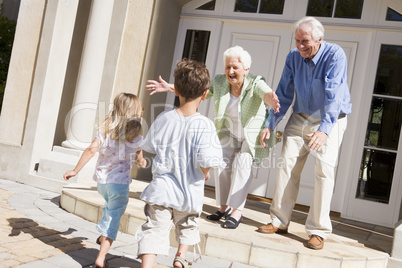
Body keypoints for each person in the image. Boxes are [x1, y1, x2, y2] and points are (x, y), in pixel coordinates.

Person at [146, 46, 280, 229]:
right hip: (229, 132)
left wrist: (270, 100)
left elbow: (265, 93)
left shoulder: (255, 83)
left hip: (251, 135)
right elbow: (198, 90)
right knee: (222, 164)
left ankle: (236, 210)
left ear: (246, 69)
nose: (230, 72)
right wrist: (171, 87)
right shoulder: (219, 82)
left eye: (235, 68)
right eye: (227, 67)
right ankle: (223, 207)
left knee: (243, 163)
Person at [257, 17, 352, 250]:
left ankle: (318, 230)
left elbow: (333, 95)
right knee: (287, 166)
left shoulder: (335, 55)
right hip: (300, 116)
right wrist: (271, 123)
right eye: (297, 40)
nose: (300, 46)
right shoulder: (293, 57)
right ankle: (279, 220)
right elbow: (284, 93)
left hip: (331, 118)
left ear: (319, 40)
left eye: (305, 41)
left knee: (324, 172)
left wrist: (325, 130)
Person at [136, 59, 223, 268]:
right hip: (189, 191)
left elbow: (150, 147)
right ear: (205, 94)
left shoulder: (165, 118)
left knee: (154, 229)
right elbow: (206, 158)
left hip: (162, 189)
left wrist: (139, 159)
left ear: (176, 91)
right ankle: (180, 257)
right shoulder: (205, 125)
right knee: (188, 224)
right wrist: (206, 172)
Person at [63, 93, 146, 268]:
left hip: (102, 184)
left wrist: (75, 170)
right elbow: (141, 160)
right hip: (120, 186)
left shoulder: (104, 131)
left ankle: (102, 236)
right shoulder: (137, 137)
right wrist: (143, 162)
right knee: (114, 218)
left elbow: (90, 150)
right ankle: (101, 257)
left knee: (109, 210)